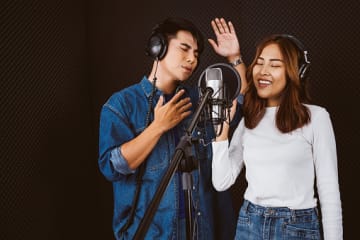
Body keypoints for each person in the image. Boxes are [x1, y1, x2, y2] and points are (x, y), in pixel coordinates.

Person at [98, 17, 246, 239]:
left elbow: (240, 100)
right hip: (153, 234)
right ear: (158, 48)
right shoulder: (121, 105)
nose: (191, 59)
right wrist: (158, 127)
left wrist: (235, 57)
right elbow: (114, 166)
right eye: (184, 49)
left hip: (202, 231)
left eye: (196, 54)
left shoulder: (200, 99)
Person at [212, 34, 343, 239]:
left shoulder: (316, 118)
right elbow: (221, 182)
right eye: (259, 63)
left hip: (297, 227)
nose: (263, 71)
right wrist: (221, 133)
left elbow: (329, 193)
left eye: (274, 65)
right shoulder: (250, 119)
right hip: (249, 224)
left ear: (296, 73)